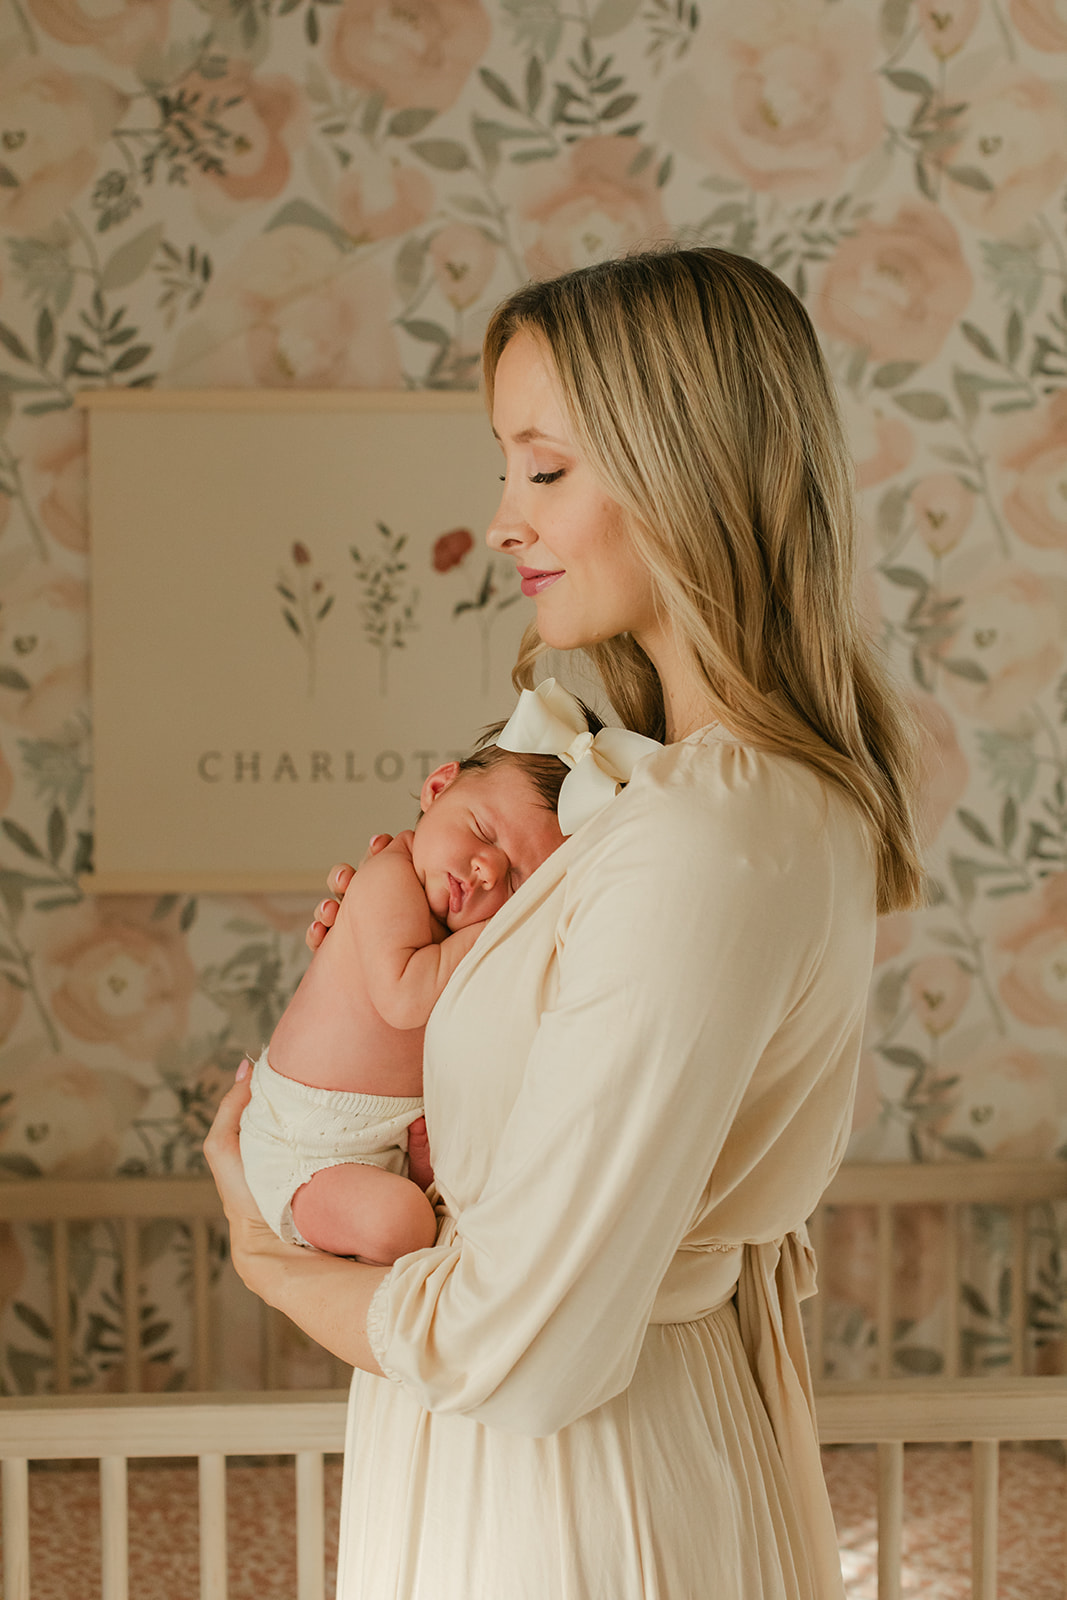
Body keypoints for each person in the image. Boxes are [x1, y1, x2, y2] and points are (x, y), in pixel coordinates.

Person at [206, 245, 922, 1600]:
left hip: (568, 1496)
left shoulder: (703, 836)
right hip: (567, 1452)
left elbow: (526, 1347)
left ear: (687, 474)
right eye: (506, 469)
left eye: (544, 469)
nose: (503, 522)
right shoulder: (675, 798)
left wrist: (265, 1256)